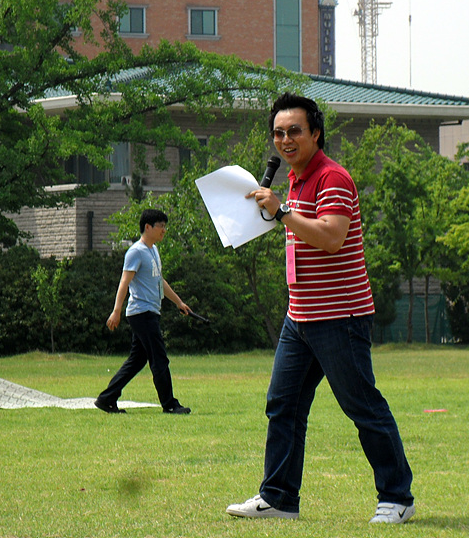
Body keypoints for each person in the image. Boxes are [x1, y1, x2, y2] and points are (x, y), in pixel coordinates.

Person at [227, 93, 414, 523]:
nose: (285, 139)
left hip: (340, 317)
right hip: (302, 317)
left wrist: (282, 212)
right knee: (283, 405)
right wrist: (279, 210)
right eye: (278, 132)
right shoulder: (293, 179)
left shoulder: (333, 178)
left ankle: (397, 498)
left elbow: (331, 237)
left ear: (315, 133)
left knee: (362, 406)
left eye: (294, 131)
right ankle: (278, 499)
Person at [94, 208, 193, 415]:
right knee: (159, 358)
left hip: (150, 312)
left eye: (165, 226)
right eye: (161, 226)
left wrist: (178, 302)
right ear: (148, 227)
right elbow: (124, 281)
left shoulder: (153, 251)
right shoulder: (136, 252)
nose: (164, 230)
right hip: (142, 313)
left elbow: (160, 281)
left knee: (137, 361)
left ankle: (107, 398)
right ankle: (170, 405)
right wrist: (116, 311)